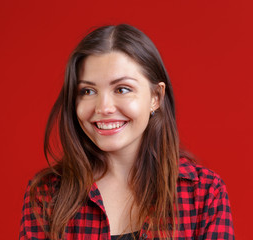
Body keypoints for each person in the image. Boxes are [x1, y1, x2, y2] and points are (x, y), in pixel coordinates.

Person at [19, 24, 234, 240]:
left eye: (122, 89)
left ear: (155, 97)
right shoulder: (46, 195)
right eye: (88, 91)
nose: (103, 108)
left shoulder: (204, 193)